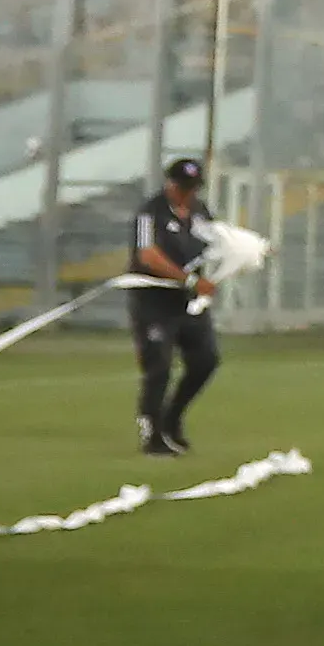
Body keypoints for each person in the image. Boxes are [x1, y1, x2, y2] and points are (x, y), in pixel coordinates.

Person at [129, 157, 221, 457]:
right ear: (169, 183)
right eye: (182, 187)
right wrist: (188, 279)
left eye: (192, 188)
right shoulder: (150, 211)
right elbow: (148, 255)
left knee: (206, 360)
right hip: (154, 302)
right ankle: (152, 432)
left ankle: (172, 418)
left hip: (189, 302)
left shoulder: (200, 212)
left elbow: (215, 242)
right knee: (159, 366)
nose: (187, 194)